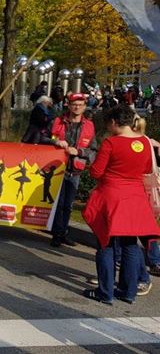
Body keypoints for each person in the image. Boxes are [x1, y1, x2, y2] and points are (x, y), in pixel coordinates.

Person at [82, 105, 160, 304]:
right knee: (130, 244)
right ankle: (128, 291)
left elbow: (96, 172)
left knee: (105, 243)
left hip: (111, 197)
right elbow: (145, 168)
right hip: (135, 196)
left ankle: (105, 292)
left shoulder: (111, 142)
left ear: (114, 122)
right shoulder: (144, 141)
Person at [50, 93, 98, 247]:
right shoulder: (58, 121)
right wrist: (56, 141)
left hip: (75, 169)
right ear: (68, 105)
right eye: (74, 104)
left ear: (84, 107)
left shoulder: (89, 125)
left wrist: (79, 152)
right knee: (58, 203)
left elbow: (93, 150)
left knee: (68, 205)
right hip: (57, 167)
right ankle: (56, 234)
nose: (77, 107)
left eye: (80, 105)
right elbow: (46, 138)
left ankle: (63, 232)